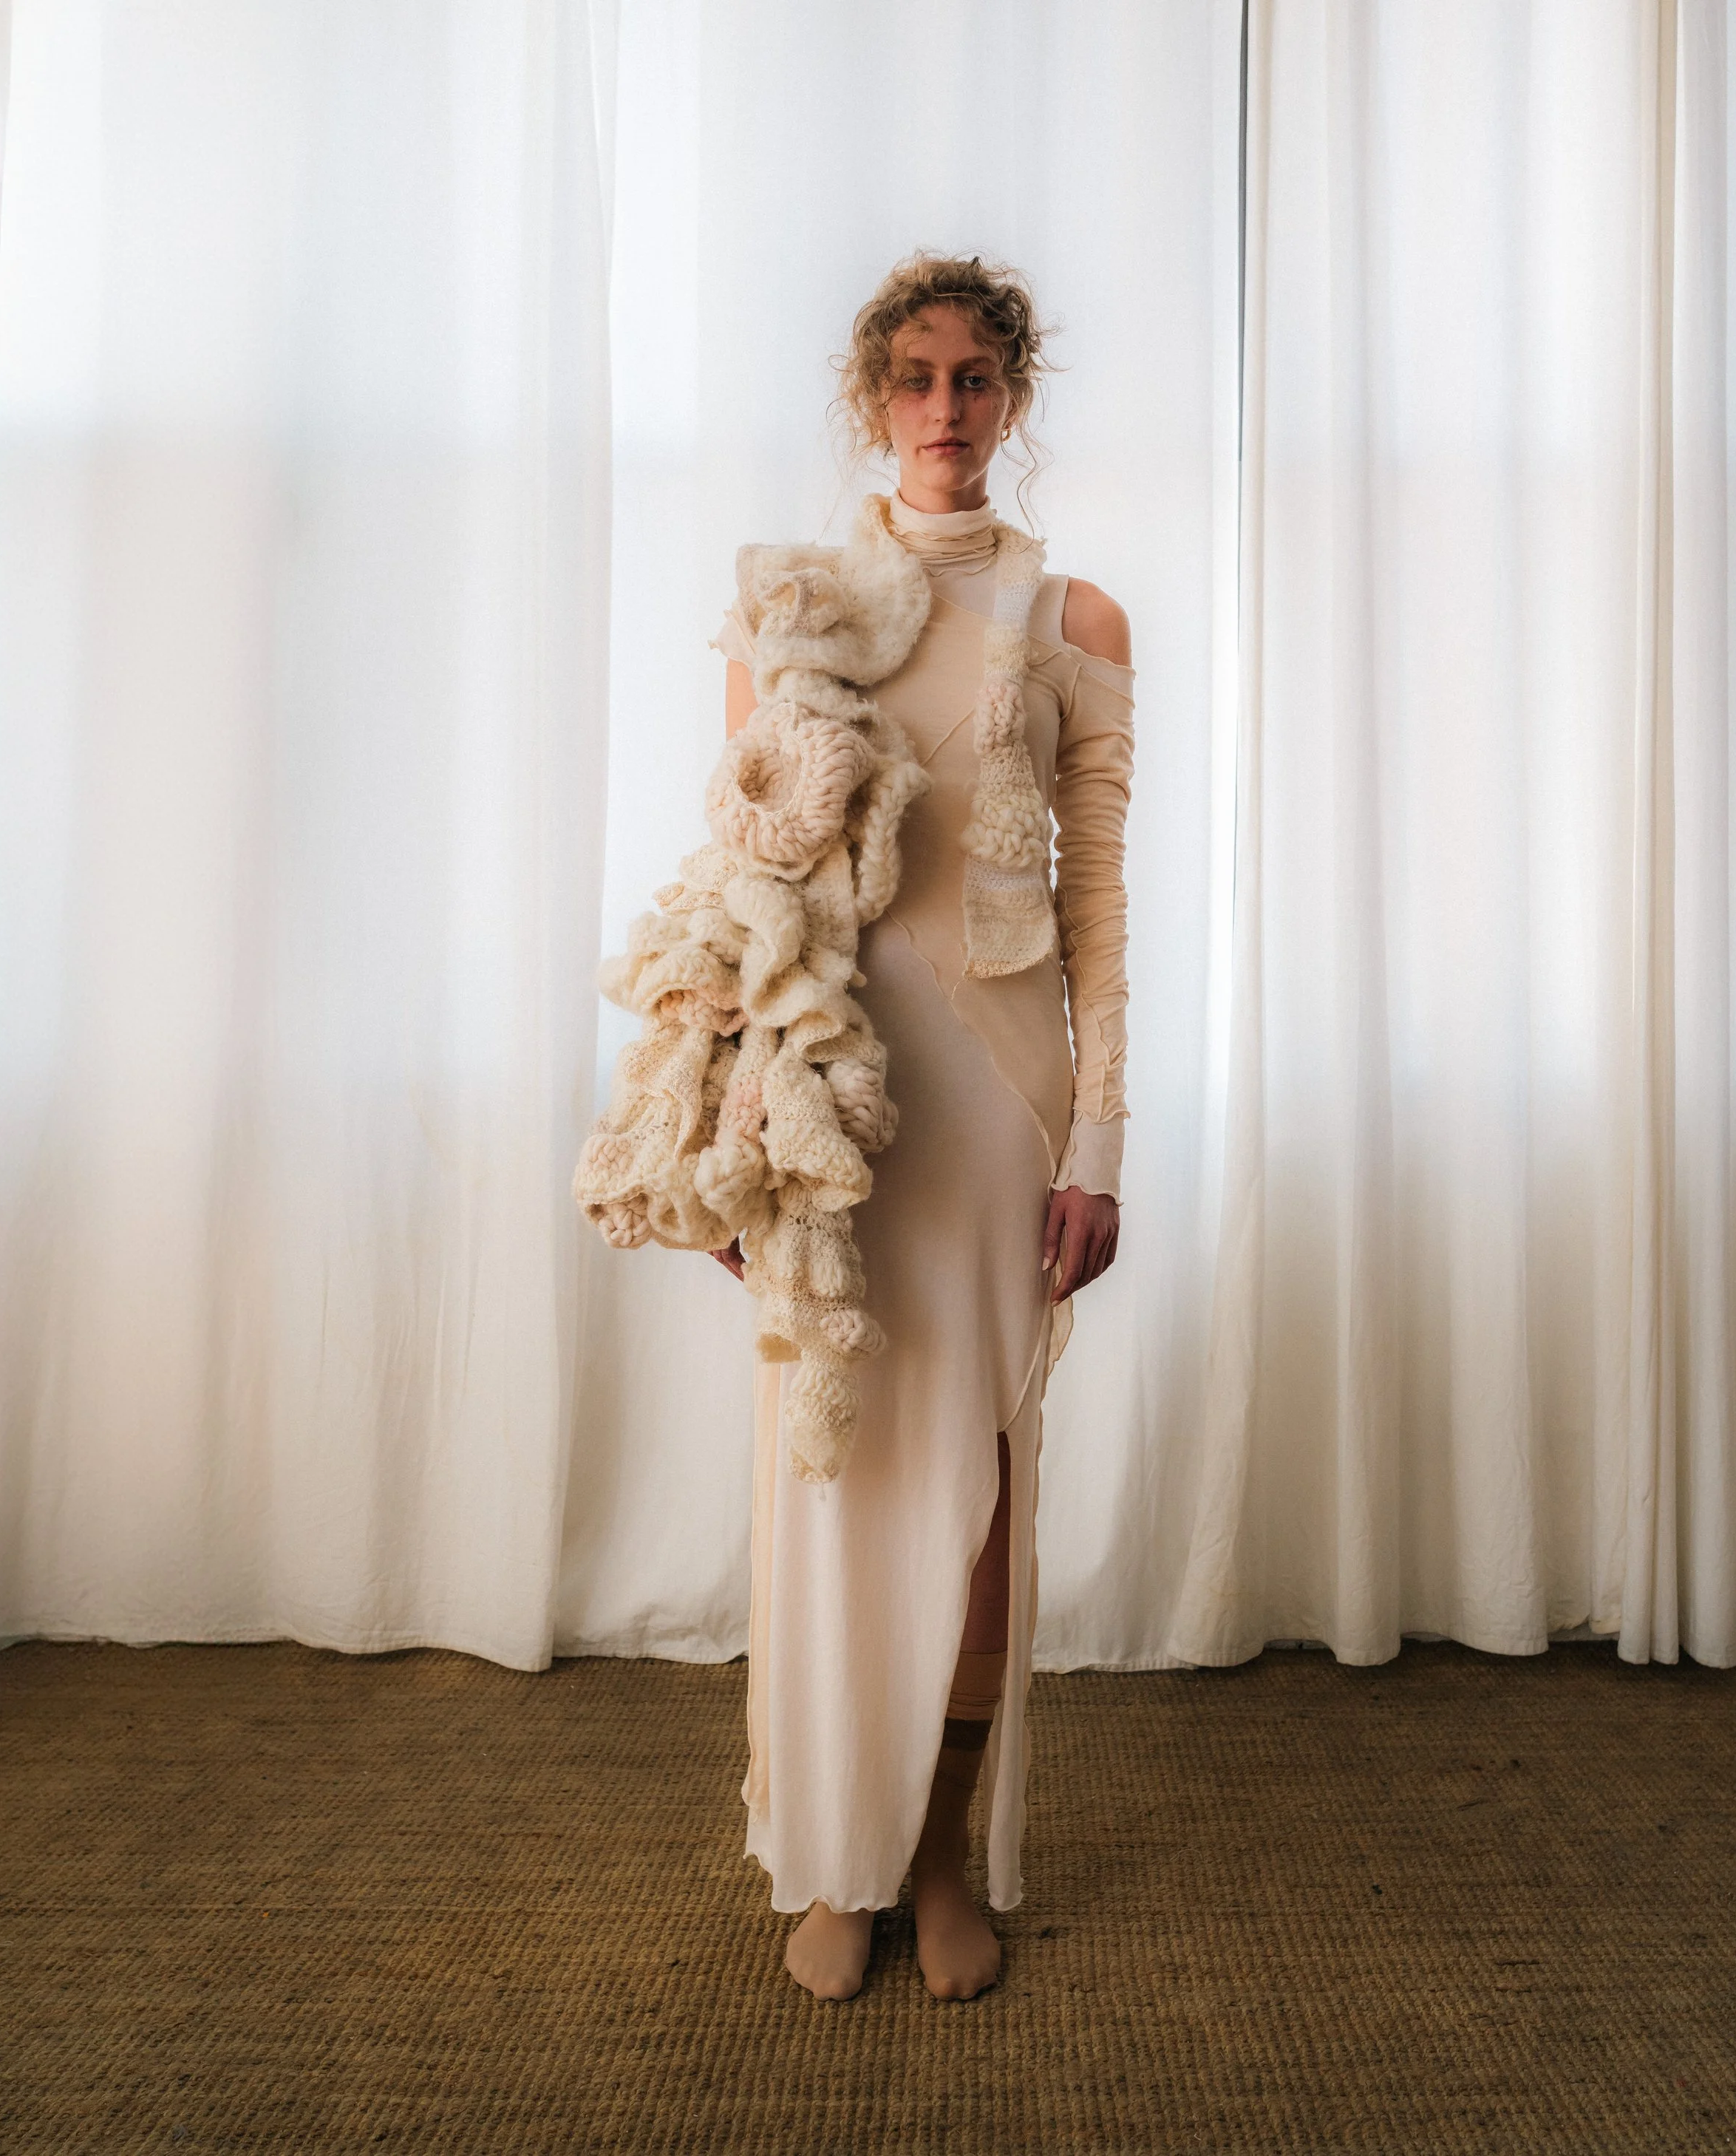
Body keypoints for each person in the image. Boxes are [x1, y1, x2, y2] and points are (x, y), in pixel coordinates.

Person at [709, 254, 1134, 2002]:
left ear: (1011, 398)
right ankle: (835, 1855)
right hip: (833, 1090)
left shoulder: (1073, 619)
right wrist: (734, 1129)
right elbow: (741, 888)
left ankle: (943, 1852)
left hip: (999, 1093)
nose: (942, 407)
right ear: (870, 398)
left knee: (975, 1495)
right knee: (828, 1472)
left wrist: (1098, 1144)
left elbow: (1098, 906)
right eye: (913, 377)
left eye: (972, 377)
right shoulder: (789, 610)